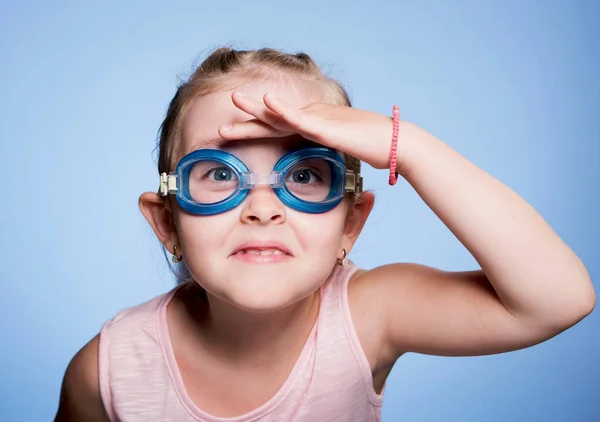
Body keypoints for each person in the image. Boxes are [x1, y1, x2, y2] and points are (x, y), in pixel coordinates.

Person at [55, 48, 596, 421]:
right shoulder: (105, 370)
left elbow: (557, 300)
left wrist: (404, 148)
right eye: (221, 175)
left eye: (304, 175)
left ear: (350, 224)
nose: (262, 208)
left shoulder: (369, 316)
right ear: (168, 223)